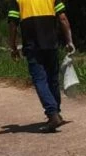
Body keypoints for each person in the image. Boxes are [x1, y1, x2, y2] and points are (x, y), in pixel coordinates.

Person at [8, 0, 76, 131]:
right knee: (52, 79)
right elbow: (62, 18)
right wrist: (69, 41)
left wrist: (13, 46)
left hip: (32, 46)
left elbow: (12, 24)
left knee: (40, 80)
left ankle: (52, 114)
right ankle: (56, 112)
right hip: (51, 44)